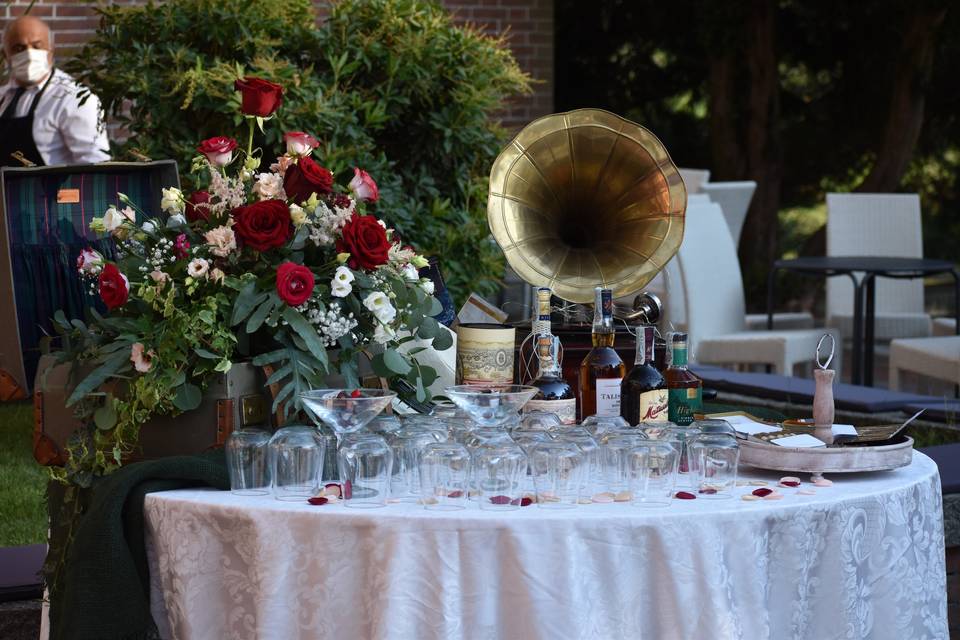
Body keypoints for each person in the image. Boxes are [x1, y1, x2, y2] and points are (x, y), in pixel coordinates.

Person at [0, 15, 110, 167]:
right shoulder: (3, 96)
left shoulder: (75, 98)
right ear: (5, 55)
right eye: (19, 48)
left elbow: (95, 164)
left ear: (50, 52)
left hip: (53, 190)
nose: (29, 54)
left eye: (37, 46)